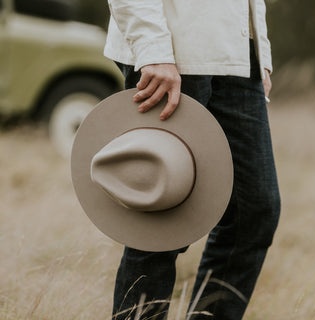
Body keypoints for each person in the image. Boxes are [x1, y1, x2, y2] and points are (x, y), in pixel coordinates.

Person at [104, 1, 281, 319]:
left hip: (239, 55)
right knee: (163, 219)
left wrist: (260, 54)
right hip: (172, 50)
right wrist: (153, 48)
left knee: (254, 212)